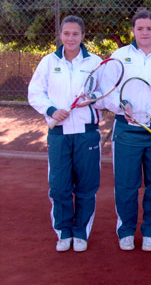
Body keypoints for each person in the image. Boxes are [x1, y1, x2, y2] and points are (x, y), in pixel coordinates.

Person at [104, 10, 151, 252]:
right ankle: (126, 230)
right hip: (126, 131)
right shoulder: (119, 56)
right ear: (133, 31)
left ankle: (150, 231)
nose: (145, 32)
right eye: (140, 28)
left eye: (149, 28)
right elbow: (107, 92)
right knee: (126, 186)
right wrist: (120, 106)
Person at [28, 15, 103, 252]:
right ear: (61, 35)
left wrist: (93, 99)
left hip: (86, 134)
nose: (71, 38)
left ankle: (80, 232)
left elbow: (107, 95)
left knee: (86, 186)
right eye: (66, 33)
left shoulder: (95, 63)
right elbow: (35, 93)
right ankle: (64, 232)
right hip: (58, 135)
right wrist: (51, 110)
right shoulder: (49, 62)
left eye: (76, 34)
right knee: (59, 187)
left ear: (83, 36)